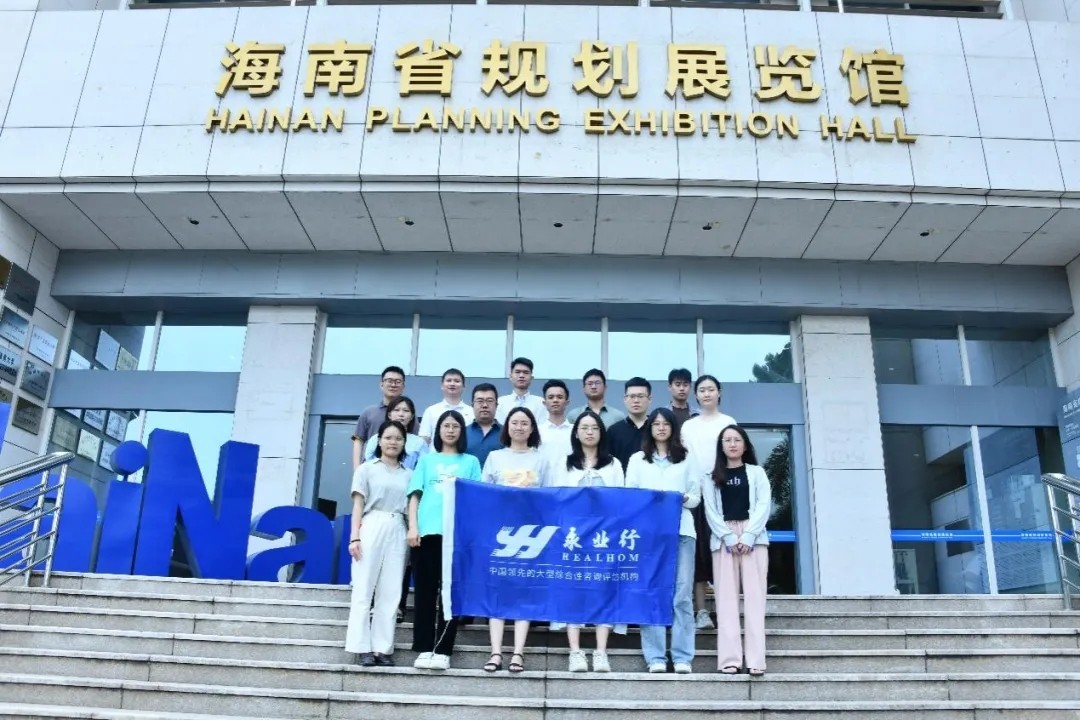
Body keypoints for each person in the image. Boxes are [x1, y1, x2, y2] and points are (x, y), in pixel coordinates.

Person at [625, 408, 700, 674]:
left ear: (672, 428)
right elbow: (630, 496)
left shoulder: (687, 458)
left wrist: (680, 498)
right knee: (651, 591)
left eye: (665, 423)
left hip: (681, 532)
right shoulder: (637, 459)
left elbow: (696, 497)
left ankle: (682, 656)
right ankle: (655, 656)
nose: (660, 428)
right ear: (650, 428)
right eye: (655, 424)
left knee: (682, 595)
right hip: (649, 535)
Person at [406, 410, 482, 670]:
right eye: (446, 426)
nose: (450, 430)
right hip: (427, 534)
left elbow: (475, 501)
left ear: (462, 431)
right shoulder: (427, 461)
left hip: (456, 537)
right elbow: (414, 496)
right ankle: (424, 648)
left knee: (450, 595)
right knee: (425, 593)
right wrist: (413, 527)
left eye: (455, 426)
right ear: (438, 430)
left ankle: (443, 649)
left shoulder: (471, 462)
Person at [480, 407, 552, 674]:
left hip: (531, 534)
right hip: (500, 533)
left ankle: (518, 653)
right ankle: (496, 652)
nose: (519, 427)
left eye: (524, 423)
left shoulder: (541, 458)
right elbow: (484, 495)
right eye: (514, 422)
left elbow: (550, 496)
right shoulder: (495, 457)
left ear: (532, 428)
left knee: (524, 592)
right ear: (507, 427)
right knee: (497, 591)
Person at [554, 410, 625, 673]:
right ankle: (575, 651)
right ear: (576, 433)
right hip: (573, 537)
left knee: (603, 589)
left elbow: (621, 499)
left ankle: (600, 652)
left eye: (594, 427)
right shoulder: (565, 463)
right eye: (584, 427)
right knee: (573, 590)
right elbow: (557, 498)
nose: (589, 432)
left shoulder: (613, 464)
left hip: (604, 536)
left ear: (601, 432)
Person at [702, 425, 772, 676]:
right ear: (721, 446)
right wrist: (729, 537)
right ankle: (730, 660)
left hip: (754, 538)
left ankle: (756, 660)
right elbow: (711, 510)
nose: (732, 444)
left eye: (737, 440)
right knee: (726, 602)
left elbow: (764, 504)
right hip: (724, 540)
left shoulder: (757, 472)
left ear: (745, 444)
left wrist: (749, 535)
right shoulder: (711, 476)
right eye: (727, 440)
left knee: (755, 601)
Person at [344, 420, 411, 667]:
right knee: (364, 588)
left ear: (404, 443)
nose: (393, 442)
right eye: (388, 437)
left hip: (398, 527)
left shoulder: (409, 474)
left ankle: (382, 648)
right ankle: (361, 647)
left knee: (391, 592)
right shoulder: (366, 469)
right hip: (371, 524)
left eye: (398, 438)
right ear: (379, 441)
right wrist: (354, 536)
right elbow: (358, 505)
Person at [680, 374, 737, 630]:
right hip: (697, 495)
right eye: (702, 390)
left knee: (724, 550)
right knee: (700, 553)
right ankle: (701, 611)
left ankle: (726, 610)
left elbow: (734, 457)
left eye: (711, 389)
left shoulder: (728, 422)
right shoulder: (688, 426)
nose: (706, 394)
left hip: (723, 492)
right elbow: (685, 461)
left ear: (719, 392)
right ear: (696, 395)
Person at [352, 366, 407, 471]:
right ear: (381, 384)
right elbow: (358, 441)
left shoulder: (407, 414)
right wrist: (357, 469)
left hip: (399, 470)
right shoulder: (369, 412)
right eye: (389, 381)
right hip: (371, 468)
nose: (393, 385)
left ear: (403, 386)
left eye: (398, 382)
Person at [361, 396, 428, 469]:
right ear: (389, 415)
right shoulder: (375, 439)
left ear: (412, 416)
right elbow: (368, 465)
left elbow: (423, 468)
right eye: (396, 410)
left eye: (406, 410)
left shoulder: (419, 442)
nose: (401, 414)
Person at [419, 368, 474, 445]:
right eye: (448, 380)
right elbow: (424, 439)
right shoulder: (431, 411)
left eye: (457, 381)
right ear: (442, 386)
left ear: (463, 387)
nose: (452, 384)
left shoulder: (472, 412)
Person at [607, 377, 652, 471]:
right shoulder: (613, 431)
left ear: (650, 399)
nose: (636, 400)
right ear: (625, 399)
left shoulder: (657, 428)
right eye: (632, 396)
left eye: (640, 396)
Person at [495, 357, 548, 425]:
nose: (521, 375)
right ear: (510, 377)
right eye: (517, 372)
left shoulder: (541, 403)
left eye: (526, 372)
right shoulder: (500, 403)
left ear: (531, 378)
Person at [466, 383, 504, 468]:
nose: (485, 405)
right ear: (472, 405)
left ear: (496, 405)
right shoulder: (462, 433)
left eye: (489, 401)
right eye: (480, 401)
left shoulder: (507, 433)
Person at [538, 379, 572, 466]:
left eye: (560, 397)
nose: (555, 400)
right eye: (551, 397)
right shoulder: (537, 431)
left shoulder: (576, 431)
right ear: (544, 403)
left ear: (567, 402)